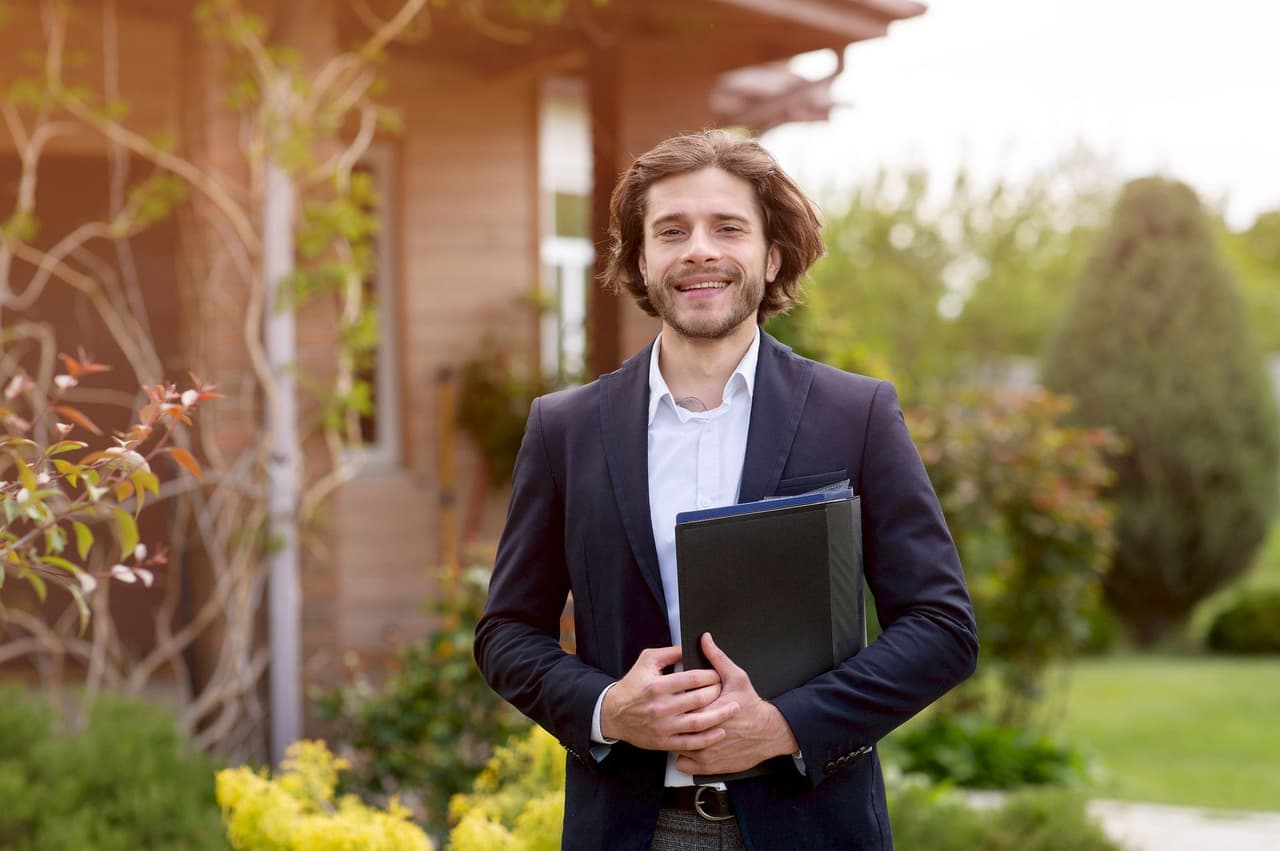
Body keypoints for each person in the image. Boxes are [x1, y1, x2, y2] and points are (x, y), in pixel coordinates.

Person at [475, 129, 978, 850]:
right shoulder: (566, 429)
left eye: (727, 228)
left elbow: (942, 628)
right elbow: (505, 632)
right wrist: (609, 707)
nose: (699, 250)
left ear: (771, 255)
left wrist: (785, 725)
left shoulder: (856, 414)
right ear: (640, 259)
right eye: (671, 230)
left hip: (812, 829)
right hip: (629, 832)